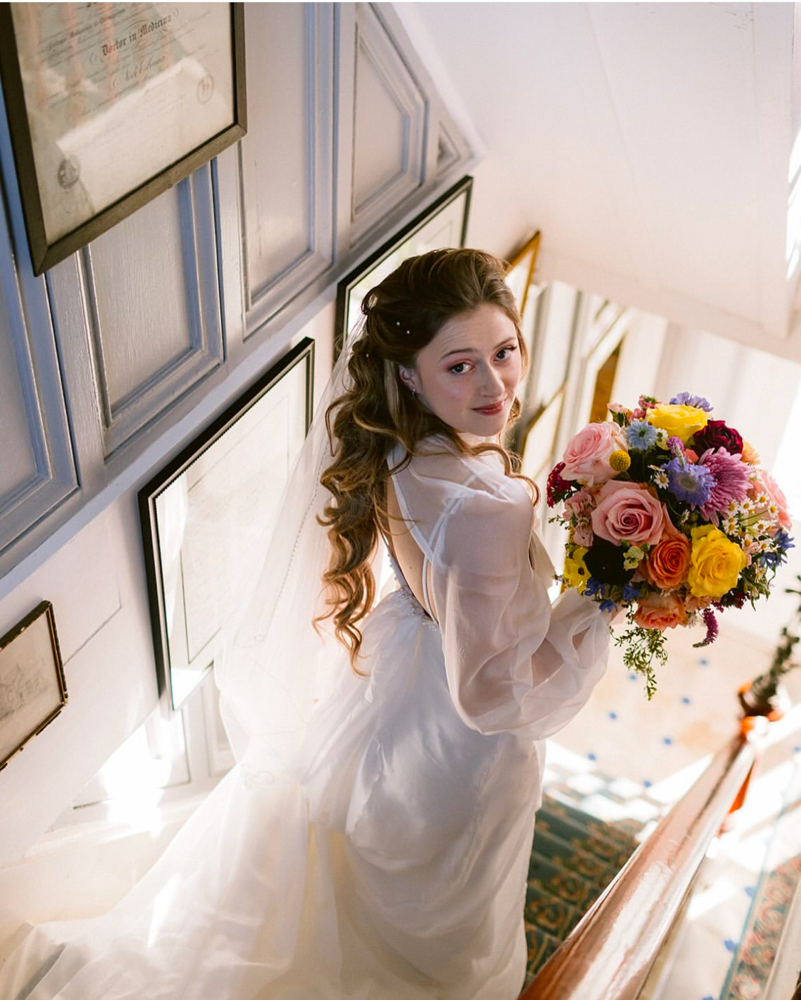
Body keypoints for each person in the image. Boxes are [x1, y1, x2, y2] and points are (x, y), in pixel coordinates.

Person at [0, 248, 612, 1000]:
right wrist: (604, 597)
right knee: (429, 928)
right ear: (411, 374)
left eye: (503, 352)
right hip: (458, 741)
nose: (492, 384)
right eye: (460, 366)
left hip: (400, 683)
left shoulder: (398, 441)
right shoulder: (490, 505)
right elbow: (495, 697)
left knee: (356, 879)